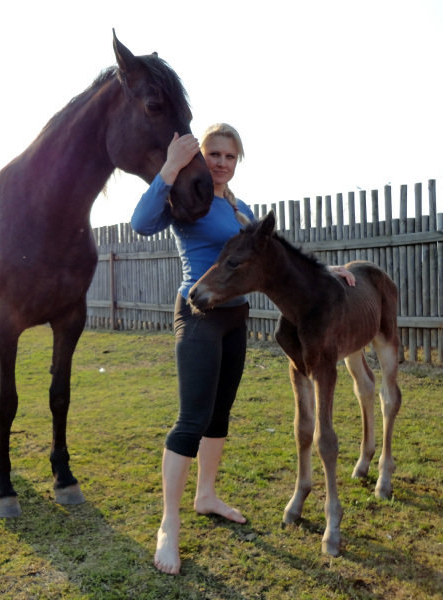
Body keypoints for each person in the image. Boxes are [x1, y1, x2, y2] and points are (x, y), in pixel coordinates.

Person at [131, 123, 355, 575]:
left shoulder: (241, 208)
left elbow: (276, 262)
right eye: (214, 153)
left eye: (229, 157)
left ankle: (207, 495)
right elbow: (140, 223)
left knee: (220, 415)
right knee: (191, 419)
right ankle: (168, 525)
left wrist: (326, 271)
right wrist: (170, 168)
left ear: (237, 162)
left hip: (235, 317)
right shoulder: (188, 198)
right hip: (199, 317)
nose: (220, 163)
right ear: (201, 156)